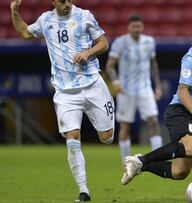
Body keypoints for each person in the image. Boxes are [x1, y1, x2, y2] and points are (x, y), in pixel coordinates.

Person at [10, 0, 114, 201]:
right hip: (65, 92)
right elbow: (24, 33)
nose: (67, 4)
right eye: (62, 0)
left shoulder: (84, 15)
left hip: (93, 85)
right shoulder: (46, 19)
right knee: (72, 138)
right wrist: (15, 12)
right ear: (53, 1)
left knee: (107, 137)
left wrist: (87, 52)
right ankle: (84, 191)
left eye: (69, 0)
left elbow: (104, 43)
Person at [119, 18, 192, 185]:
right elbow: (182, 90)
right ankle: (140, 160)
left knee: (179, 172)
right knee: (191, 149)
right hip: (182, 110)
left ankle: (141, 166)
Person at [106, 15, 163, 163]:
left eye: (139, 26)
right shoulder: (121, 42)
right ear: (129, 27)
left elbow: (153, 64)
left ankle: (157, 158)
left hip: (145, 89)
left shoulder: (149, 42)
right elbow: (110, 65)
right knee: (125, 125)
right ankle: (126, 161)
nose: (136, 29)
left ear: (142, 27)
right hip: (126, 90)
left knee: (153, 121)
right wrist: (115, 81)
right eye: (133, 26)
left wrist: (157, 85)